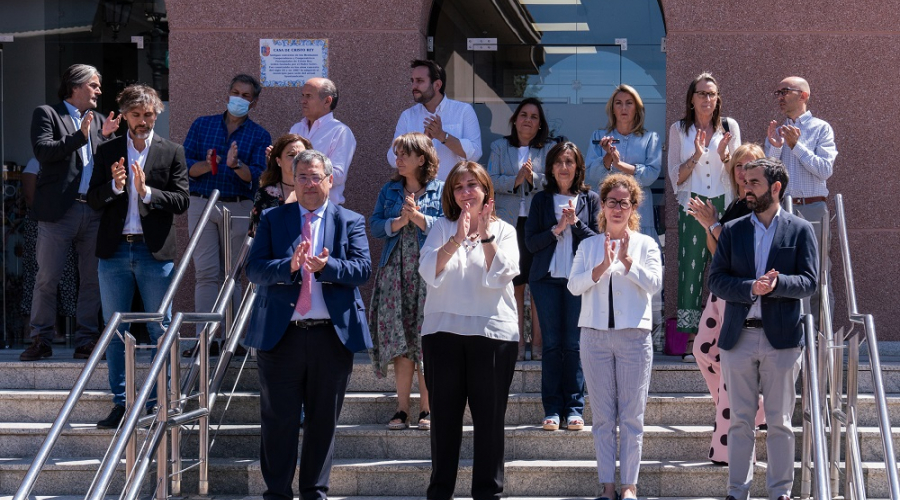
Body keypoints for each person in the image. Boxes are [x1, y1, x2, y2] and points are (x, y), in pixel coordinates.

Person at [244, 149, 372, 500]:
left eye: (316, 177)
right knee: (277, 423)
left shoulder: (350, 220)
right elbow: (253, 270)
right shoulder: (273, 218)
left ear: (330, 181)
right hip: (281, 337)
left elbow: (363, 269)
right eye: (302, 177)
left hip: (331, 338)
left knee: (322, 423)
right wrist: (288, 265)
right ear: (294, 181)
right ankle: (278, 494)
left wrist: (325, 268)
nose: (310, 184)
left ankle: (315, 493)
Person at [708, 157, 818, 500]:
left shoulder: (800, 229)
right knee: (739, 421)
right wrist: (749, 288)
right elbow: (717, 280)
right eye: (745, 182)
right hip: (738, 337)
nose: (746, 189)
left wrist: (778, 283)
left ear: (775, 188)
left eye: (754, 183)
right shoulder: (734, 229)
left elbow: (810, 283)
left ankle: (780, 493)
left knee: (780, 421)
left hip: (782, 340)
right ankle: (737, 491)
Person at [87, 84, 190, 428]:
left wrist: (148, 192)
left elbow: (181, 201)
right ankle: (122, 403)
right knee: (115, 330)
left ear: (157, 114)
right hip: (114, 250)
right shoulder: (108, 150)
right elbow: (93, 199)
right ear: (126, 115)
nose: (143, 120)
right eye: (136, 115)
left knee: (160, 327)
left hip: (153, 252)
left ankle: (161, 401)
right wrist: (116, 186)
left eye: (149, 114)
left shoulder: (171, 151)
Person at [418, 161, 519, 500]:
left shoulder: (504, 231)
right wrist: (456, 239)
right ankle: (440, 492)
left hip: (492, 336)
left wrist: (485, 235)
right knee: (444, 422)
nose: (465, 192)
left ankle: (488, 494)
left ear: (485, 190)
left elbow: (504, 273)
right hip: (442, 333)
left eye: (472, 185)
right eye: (459, 187)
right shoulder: (440, 228)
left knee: (489, 423)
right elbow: (428, 270)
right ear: (451, 193)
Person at [568, 174, 662, 500]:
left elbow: (654, 284)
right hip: (594, 337)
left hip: (634, 337)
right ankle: (607, 486)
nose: (618, 208)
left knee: (632, 416)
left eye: (624, 202)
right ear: (603, 206)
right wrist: (600, 267)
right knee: (604, 417)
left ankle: (629, 486)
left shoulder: (646, 244)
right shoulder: (588, 245)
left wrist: (627, 263)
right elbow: (573, 285)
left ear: (633, 206)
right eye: (612, 202)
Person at [22, 63, 120, 361]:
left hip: (92, 210)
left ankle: (87, 339)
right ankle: (41, 338)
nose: (99, 91)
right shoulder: (48, 114)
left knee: (92, 278)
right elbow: (44, 151)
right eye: (94, 85)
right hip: (58, 212)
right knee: (47, 277)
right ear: (75, 86)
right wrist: (81, 135)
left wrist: (105, 138)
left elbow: (104, 166)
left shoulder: (100, 120)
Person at [686, 143, 766, 464]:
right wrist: (711, 225)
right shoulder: (735, 204)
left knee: (731, 367)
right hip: (721, 289)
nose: (744, 173)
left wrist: (713, 224)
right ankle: (754, 407)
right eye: (738, 167)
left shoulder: (761, 205)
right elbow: (716, 247)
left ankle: (725, 449)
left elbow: (743, 250)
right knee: (703, 351)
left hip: (740, 294)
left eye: (751, 166)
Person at [182, 74, 271, 355]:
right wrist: (211, 164)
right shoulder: (202, 124)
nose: (239, 98)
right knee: (207, 273)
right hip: (202, 203)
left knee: (233, 275)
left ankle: (234, 340)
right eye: (235, 92)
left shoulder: (260, 134)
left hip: (239, 206)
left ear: (254, 102)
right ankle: (204, 338)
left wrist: (234, 165)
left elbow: (258, 176)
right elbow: (184, 165)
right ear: (227, 93)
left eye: (246, 95)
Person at [368, 132, 443, 431]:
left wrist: (420, 218)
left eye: (404, 154)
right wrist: (397, 222)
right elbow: (374, 226)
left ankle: (427, 408)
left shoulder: (440, 189)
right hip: (395, 272)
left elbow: (450, 226)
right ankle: (401, 409)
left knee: (426, 341)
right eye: (396, 153)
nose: (397, 159)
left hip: (427, 274)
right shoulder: (389, 190)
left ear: (421, 159)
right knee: (400, 341)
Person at [524, 141, 600, 432]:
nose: (564, 167)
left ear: (578, 167)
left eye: (569, 162)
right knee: (552, 345)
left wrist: (575, 223)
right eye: (559, 162)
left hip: (578, 282)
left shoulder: (590, 198)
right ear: (551, 168)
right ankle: (552, 410)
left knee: (574, 345)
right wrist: (557, 229)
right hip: (546, 281)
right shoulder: (542, 200)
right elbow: (530, 243)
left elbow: (596, 240)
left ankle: (575, 409)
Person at [667, 72, 740, 361]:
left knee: (726, 266)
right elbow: (675, 176)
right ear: (691, 98)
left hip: (725, 201)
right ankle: (693, 338)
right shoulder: (679, 129)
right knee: (691, 269)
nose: (707, 99)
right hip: (693, 202)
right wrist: (697, 155)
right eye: (701, 93)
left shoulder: (729, 126)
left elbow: (738, 170)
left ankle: (725, 333)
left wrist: (723, 155)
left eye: (712, 93)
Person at [487, 97, 555, 361]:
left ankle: (537, 343)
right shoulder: (499, 146)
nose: (528, 120)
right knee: (515, 285)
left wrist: (534, 178)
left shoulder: (548, 149)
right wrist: (515, 180)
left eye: (534, 117)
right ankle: (517, 342)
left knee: (536, 285)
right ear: (515, 120)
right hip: (509, 224)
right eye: (523, 115)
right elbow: (489, 179)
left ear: (540, 125)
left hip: (538, 223)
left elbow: (557, 178)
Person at [766, 76, 837, 321]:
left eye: (785, 91)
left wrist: (796, 146)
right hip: (781, 212)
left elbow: (824, 170)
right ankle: (788, 332)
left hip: (812, 209)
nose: (780, 97)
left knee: (816, 272)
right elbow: (766, 175)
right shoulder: (776, 131)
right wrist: (775, 147)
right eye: (777, 92)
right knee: (781, 270)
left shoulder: (821, 128)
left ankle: (818, 336)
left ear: (804, 95)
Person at [585, 84, 661, 243]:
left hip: (639, 211)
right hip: (608, 211)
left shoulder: (650, 138)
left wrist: (619, 165)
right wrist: (607, 157)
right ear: (612, 108)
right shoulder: (599, 136)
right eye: (618, 103)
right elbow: (592, 174)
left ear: (637, 108)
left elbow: (651, 176)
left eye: (629, 103)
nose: (623, 108)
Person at [388, 59, 481, 180]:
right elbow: (392, 158)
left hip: (454, 193)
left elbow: (475, 155)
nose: (414, 86)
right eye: (412, 81)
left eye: (419, 81)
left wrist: (443, 136)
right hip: (419, 194)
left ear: (437, 85)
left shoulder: (463, 111)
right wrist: (422, 142)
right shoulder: (408, 116)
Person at [19, 157, 78, 345]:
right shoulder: (35, 163)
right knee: (39, 274)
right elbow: (30, 198)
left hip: (66, 223)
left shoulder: (70, 161)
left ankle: (59, 328)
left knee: (64, 276)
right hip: (41, 223)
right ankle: (34, 329)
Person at [288, 78, 356, 205]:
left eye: (308, 96)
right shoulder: (296, 128)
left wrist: (302, 162)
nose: (302, 101)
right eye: (302, 95)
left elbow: (338, 176)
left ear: (327, 101)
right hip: (294, 206)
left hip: (324, 209)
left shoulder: (340, 132)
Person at [249, 133, 313, 236]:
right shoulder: (266, 194)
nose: (297, 160)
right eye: (291, 155)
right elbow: (256, 234)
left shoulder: (315, 190)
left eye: (302, 155)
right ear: (279, 161)